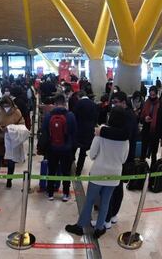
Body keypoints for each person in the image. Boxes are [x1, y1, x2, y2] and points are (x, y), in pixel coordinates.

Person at [65, 107, 129, 238]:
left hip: (99, 171)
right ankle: (100, 228)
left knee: (90, 200)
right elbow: (123, 159)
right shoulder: (125, 138)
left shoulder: (101, 134)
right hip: (115, 173)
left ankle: (80, 226)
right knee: (106, 202)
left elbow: (92, 154)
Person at [97, 92, 138, 228]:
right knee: (116, 187)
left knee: (115, 187)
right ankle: (111, 214)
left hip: (123, 157)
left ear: (124, 102)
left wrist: (102, 132)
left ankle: (110, 215)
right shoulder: (125, 113)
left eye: (116, 101)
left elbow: (124, 134)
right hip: (121, 156)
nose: (114, 104)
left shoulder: (129, 116)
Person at [41, 94, 76, 202]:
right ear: (65, 103)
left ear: (55, 104)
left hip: (52, 149)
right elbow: (74, 132)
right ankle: (65, 193)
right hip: (66, 149)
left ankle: (50, 193)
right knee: (66, 172)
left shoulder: (48, 116)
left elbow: (44, 133)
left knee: (52, 170)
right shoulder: (70, 115)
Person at [0, 96, 24, 188]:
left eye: (7, 105)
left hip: (12, 140)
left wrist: (11, 128)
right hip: (0, 138)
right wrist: (0, 128)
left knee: (11, 160)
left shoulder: (17, 112)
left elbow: (22, 124)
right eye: (3, 106)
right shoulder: (1, 111)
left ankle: (9, 179)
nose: (5, 108)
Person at [74, 91, 98, 176]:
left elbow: (74, 116)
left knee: (73, 149)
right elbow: (96, 118)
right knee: (83, 153)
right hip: (89, 131)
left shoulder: (78, 103)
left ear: (79, 96)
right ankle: (78, 172)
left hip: (78, 130)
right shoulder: (94, 105)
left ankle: (70, 166)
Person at [140, 86, 162, 166]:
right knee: (143, 150)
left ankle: (153, 169)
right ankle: (142, 167)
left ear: (156, 94)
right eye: (150, 95)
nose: (152, 97)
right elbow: (142, 116)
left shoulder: (160, 105)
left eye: (153, 95)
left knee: (154, 152)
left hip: (155, 132)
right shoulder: (146, 102)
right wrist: (145, 118)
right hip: (146, 130)